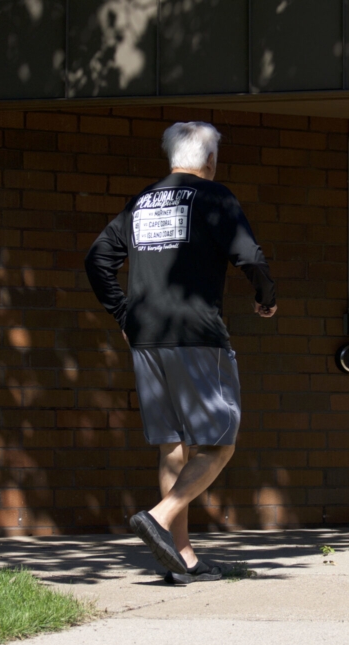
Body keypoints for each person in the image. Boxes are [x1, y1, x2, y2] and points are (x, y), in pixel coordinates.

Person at [85, 121, 277, 583]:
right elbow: (249, 257)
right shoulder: (215, 198)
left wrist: (125, 316)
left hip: (148, 338)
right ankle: (160, 514)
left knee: (174, 443)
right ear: (209, 159)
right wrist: (266, 295)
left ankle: (182, 555)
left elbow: (97, 260)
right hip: (197, 336)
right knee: (220, 442)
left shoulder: (142, 201)